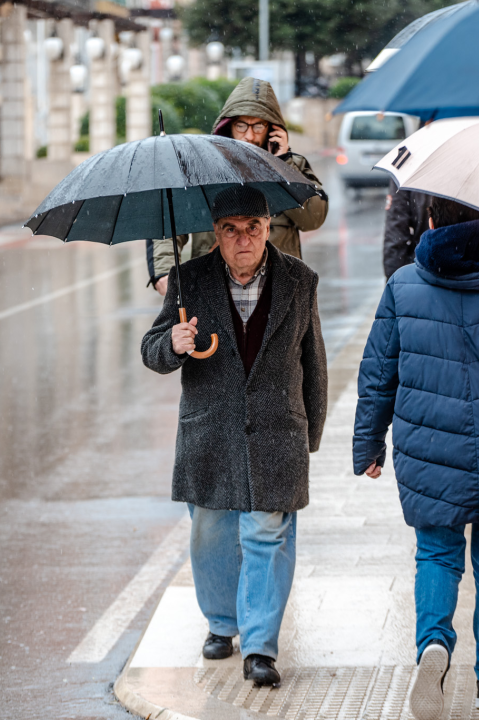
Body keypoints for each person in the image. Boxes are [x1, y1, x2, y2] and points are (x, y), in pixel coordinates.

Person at [352, 196, 479, 719]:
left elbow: (377, 374)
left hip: (428, 450)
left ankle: (433, 647)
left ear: (430, 222)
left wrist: (368, 443)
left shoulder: (402, 285)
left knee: (436, 556)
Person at [141, 184, 328, 687]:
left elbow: (313, 361)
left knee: (267, 533)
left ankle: (261, 647)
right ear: (216, 235)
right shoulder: (189, 281)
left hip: (276, 431)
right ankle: (222, 624)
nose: (243, 239)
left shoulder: (300, 280)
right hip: (211, 433)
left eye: (253, 228)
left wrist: (309, 433)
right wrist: (173, 345)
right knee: (211, 533)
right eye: (231, 230)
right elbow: (151, 348)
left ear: (269, 228)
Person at [146, 77, 328, 295]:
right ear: (229, 125)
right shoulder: (202, 169)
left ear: (272, 128)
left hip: (275, 294)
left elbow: (313, 218)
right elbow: (169, 220)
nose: (249, 135)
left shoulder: (292, 167)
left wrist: (283, 165)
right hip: (212, 292)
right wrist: (164, 273)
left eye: (258, 125)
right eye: (242, 125)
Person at [382, 181, 433, 278]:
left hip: (422, 270)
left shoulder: (408, 171)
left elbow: (395, 234)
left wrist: (394, 282)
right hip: (467, 272)